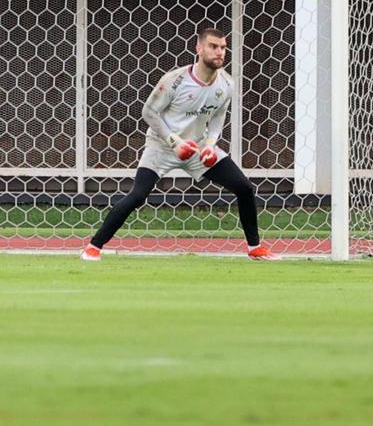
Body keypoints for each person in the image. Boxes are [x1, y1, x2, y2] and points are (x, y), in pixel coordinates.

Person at [81, 28, 278, 261]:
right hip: (162, 145)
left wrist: (211, 144)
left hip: (197, 148)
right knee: (138, 195)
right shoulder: (175, 81)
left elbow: (217, 117)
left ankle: (254, 248)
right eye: (213, 46)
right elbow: (149, 112)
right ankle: (94, 247)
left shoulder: (227, 84)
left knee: (244, 187)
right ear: (199, 48)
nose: (219, 52)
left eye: (223, 48)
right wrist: (173, 141)